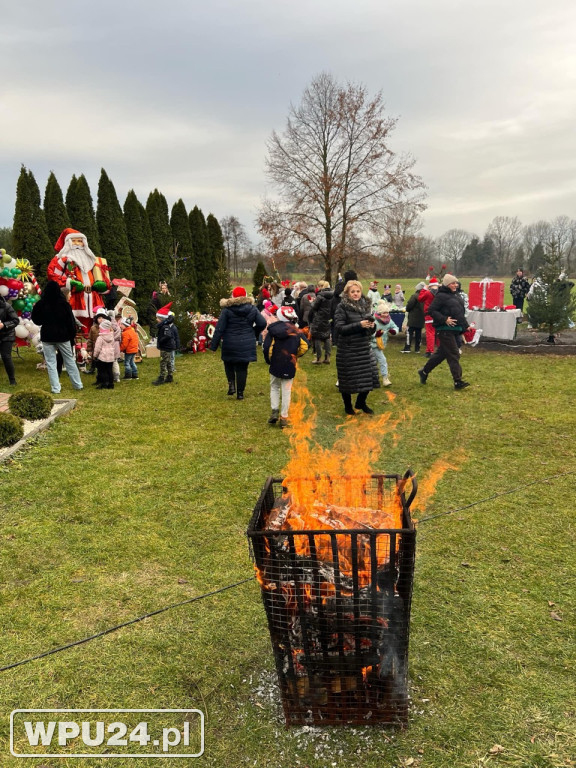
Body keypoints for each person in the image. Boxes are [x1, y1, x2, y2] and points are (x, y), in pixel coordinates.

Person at [47, 228, 111, 336]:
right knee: (75, 324)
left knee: (97, 325)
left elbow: (104, 278)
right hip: (74, 298)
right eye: (74, 241)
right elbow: (52, 275)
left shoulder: (92, 259)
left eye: (80, 241)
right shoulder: (61, 259)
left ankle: (95, 345)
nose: (77, 244)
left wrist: (103, 286)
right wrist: (69, 283)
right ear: (68, 243)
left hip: (94, 299)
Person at [210, 286, 266, 400]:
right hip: (246, 342)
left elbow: (219, 328)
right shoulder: (252, 309)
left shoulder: (226, 310)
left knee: (228, 363)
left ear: (233, 296)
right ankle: (240, 393)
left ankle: (231, 385)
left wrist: (213, 345)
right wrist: (253, 333)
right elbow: (262, 323)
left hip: (230, 341)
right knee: (242, 368)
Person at [333, 280, 380, 415]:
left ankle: (361, 402)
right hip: (348, 349)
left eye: (358, 291)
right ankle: (348, 406)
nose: (355, 294)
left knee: (370, 376)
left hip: (364, 348)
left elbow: (369, 329)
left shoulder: (365, 306)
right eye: (352, 291)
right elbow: (339, 328)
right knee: (348, 380)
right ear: (347, 293)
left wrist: (372, 327)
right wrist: (359, 325)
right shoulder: (342, 307)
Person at [418, 274, 470, 390]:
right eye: (453, 283)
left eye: (456, 283)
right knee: (454, 354)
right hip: (444, 330)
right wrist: (444, 319)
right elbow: (431, 310)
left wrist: (466, 327)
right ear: (447, 284)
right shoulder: (440, 296)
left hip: (455, 330)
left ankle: (424, 372)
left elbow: (459, 314)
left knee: (441, 355)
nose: (455, 285)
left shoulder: (456, 296)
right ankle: (458, 381)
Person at [31, 280, 84, 394]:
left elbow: (37, 321)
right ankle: (77, 384)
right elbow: (71, 322)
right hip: (63, 336)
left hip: (47, 336)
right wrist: (71, 336)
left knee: (51, 363)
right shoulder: (64, 304)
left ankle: (55, 388)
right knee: (69, 360)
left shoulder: (41, 304)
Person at [263, 306, 309, 428]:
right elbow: (305, 346)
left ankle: (274, 410)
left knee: (274, 386)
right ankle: (284, 416)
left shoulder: (273, 330)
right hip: (290, 363)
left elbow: (267, 347)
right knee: (286, 390)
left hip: (276, 362)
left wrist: (269, 360)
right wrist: (295, 355)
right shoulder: (297, 331)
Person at [371, 301, 398, 387]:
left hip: (381, 344)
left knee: (373, 362)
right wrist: (375, 334)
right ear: (379, 313)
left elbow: (395, 326)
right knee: (383, 360)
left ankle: (372, 378)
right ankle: (385, 378)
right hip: (373, 344)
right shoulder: (374, 321)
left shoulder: (389, 320)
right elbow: (368, 332)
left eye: (387, 312)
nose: (386, 314)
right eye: (384, 313)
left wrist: (394, 331)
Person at [153, 303, 180, 385]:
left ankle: (161, 377)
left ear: (161, 319)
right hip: (167, 346)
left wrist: (161, 340)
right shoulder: (164, 326)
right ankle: (169, 376)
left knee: (163, 362)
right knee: (168, 362)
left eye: (157, 318)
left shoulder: (165, 327)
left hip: (166, 347)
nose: (156, 319)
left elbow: (168, 335)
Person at [308, 280, 334, 364]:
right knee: (327, 337)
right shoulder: (333, 296)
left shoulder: (320, 296)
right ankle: (327, 357)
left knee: (317, 337)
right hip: (327, 318)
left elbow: (314, 307)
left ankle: (318, 358)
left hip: (319, 319)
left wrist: (312, 302)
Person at [0, 294, 19, 386]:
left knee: (6, 356)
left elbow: (15, 320)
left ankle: (12, 380)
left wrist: (4, 325)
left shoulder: (6, 306)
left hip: (7, 334)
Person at [402, 282, 426, 353]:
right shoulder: (425, 296)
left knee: (409, 333)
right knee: (419, 334)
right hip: (421, 318)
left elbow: (409, 306)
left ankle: (407, 348)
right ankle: (417, 349)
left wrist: (407, 310)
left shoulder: (415, 296)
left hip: (413, 318)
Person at [418, 277, 439, 357]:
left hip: (429, 315)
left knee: (430, 333)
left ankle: (430, 351)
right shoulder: (440, 293)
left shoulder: (428, 293)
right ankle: (439, 350)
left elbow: (420, 299)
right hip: (438, 315)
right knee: (437, 333)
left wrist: (424, 289)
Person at [93, 319, 116, 389]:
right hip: (110, 356)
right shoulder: (112, 336)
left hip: (102, 356)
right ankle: (111, 383)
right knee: (109, 370)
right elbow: (113, 345)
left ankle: (104, 383)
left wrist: (95, 355)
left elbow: (97, 348)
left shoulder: (100, 338)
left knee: (103, 371)